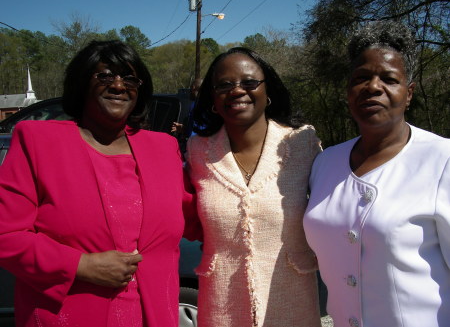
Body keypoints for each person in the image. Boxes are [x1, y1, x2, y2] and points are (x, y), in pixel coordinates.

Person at [0, 40, 194, 327]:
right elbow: (7, 235)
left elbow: (201, 215)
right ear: (81, 83)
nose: (118, 85)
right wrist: (80, 265)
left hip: (152, 315)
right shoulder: (38, 141)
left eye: (129, 78)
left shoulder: (163, 148)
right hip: (68, 313)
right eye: (104, 75)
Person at [304, 21, 450, 327]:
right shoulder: (325, 162)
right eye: (361, 78)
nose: (373, 87)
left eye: (389, 78)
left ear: (408, 93)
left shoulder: (442, 159)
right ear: (348, 91)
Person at [184, 47, 322, 327]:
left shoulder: (302, 144)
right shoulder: (198, 151)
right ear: (212, 97)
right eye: (224, 85)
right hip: (223, 308)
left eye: (249, 82)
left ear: (267, 90)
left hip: (292, 305)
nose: (237, 91)